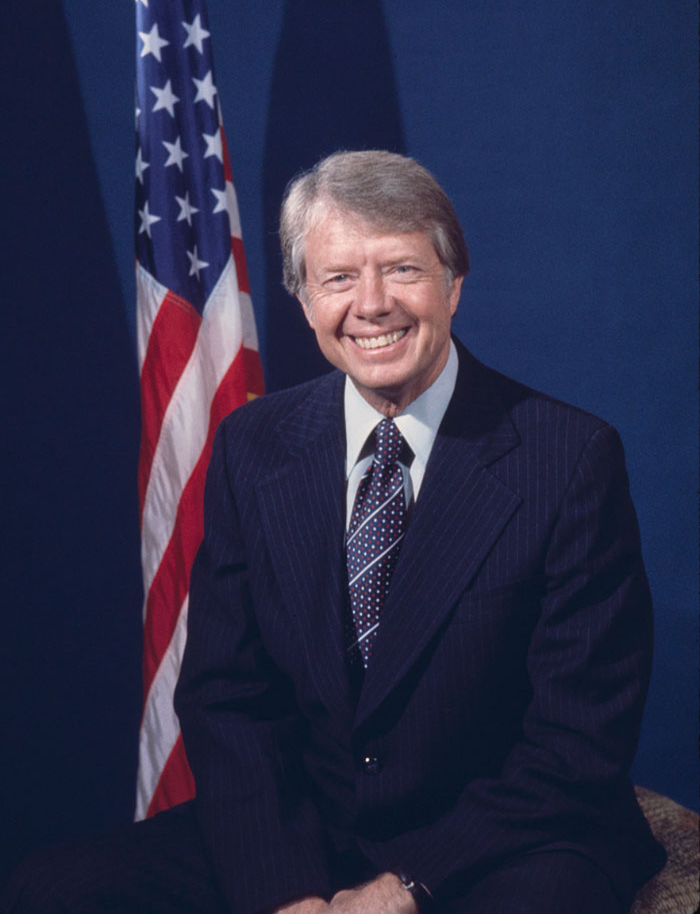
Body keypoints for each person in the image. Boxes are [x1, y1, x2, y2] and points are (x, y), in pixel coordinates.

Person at [3, 151, 664, 913]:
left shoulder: (567, 457)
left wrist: (402, 888)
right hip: (311, 827)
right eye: (340, 277)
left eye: (403, 270)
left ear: (455, 285)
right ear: (303, 298)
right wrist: (288, 892)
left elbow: (575, 740)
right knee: (53, 892)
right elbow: (227, 697)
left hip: (504, 837)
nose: (372, 304)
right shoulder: (254, 446)